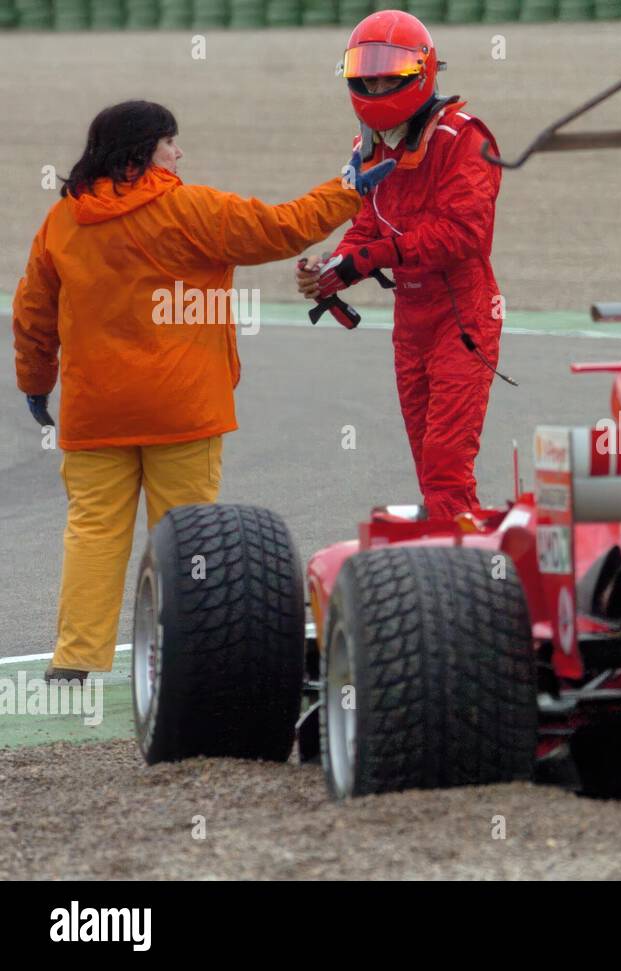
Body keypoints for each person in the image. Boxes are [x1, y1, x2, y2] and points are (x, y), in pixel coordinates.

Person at [12, 99, 391, 681]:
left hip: (94, 413)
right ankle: (188, 660)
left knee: (92, 532)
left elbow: (33, 314)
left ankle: (74, 662)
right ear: (144, 152)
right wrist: (348, 188)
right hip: (183, 408)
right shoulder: (188, 209)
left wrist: (36, 382)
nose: (178, 152)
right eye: (170, 142)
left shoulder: (62, 221)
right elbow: (282, 227)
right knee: (189, 537)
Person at [298, 9, 505, 523]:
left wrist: (370, 258)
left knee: (444, 465)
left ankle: (465, 573)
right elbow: (368, 226)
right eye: (366, 74)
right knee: (427, 462)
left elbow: (462, 235)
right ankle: (452, 558)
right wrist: (331, 266)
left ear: (422, 72)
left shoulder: (464, 138)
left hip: (463, 316)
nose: (375, 83)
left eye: (389, 74)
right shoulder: (365, 146)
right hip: (410, 321)